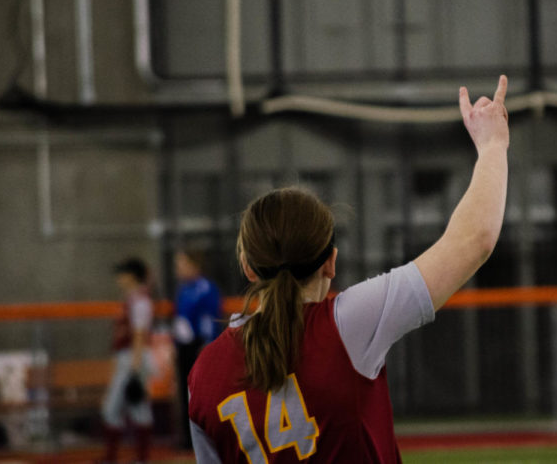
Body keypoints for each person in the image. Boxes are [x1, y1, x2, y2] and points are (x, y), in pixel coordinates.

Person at [187, 75, 510, 463]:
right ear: (331, 262)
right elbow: (475, 240)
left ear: (248, 268)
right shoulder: (349, 327)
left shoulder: (203, 373)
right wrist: (493, 145)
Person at [100, 257, 154, 464]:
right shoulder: (133, 298)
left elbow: (140, 334)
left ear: (132, 276)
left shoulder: (140, 300)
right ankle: (138, 458)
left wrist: (135, 367)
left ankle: (121, 458)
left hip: (133, 358)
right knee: (136, 409)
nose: (119, 278)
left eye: (122, 273)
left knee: (114, 409)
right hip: (129, 357)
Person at [173, 248, 222, 448]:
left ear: (194, 266)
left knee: (203, 393)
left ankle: (211, 437)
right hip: (184, 347)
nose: (178, 269)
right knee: (186, 394)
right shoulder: (183, 290)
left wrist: (208, 346)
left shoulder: (206, 288)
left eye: (182, 264)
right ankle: (188, 439)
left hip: (199, 347)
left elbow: (211, 318)